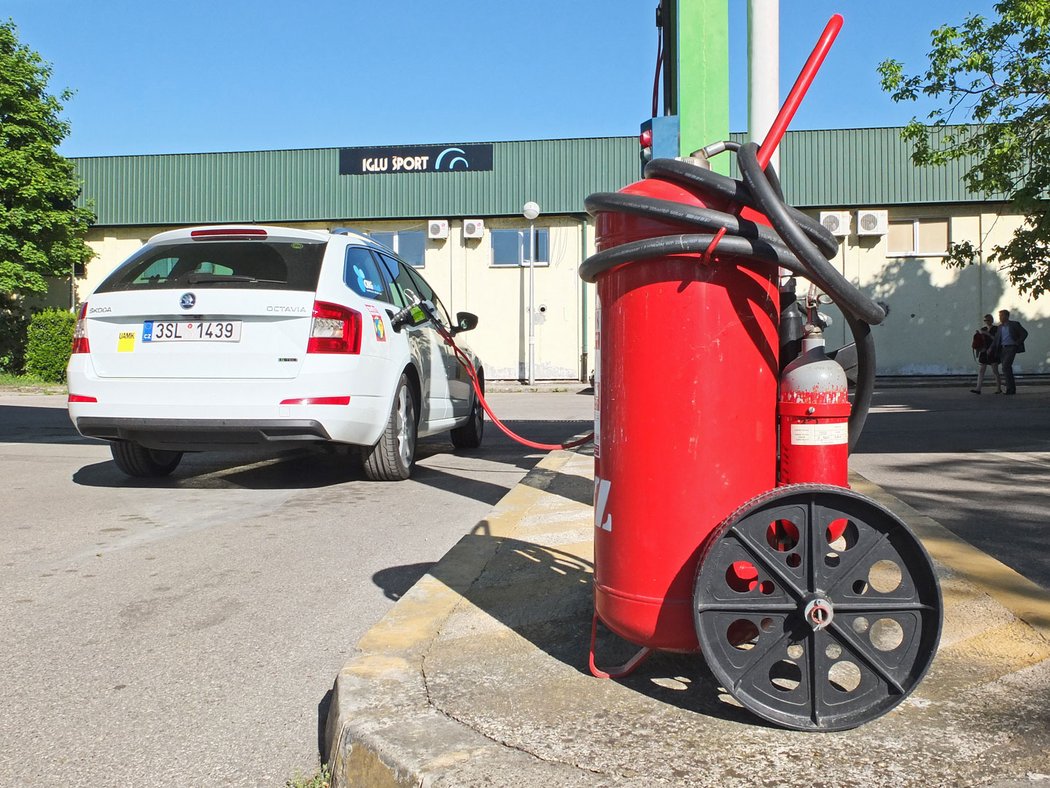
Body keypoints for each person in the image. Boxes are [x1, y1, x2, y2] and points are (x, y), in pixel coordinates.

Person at [991, 309, 1029, 395]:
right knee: (1007, 368)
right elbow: (997, 339)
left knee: (1005, 367)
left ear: (1006, 316)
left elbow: (1024, 333)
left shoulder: (1014, 324)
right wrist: (991, 348)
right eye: (999, 316)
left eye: (1001, 316)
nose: (1000, 318)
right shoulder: (1000, 327)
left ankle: (1009, 389)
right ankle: (1011, 389)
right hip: (1003, 349)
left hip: (1011, 347)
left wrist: (1018, 342)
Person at [970, 314, 1002, 394]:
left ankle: (998, 388)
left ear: (992, 320)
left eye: (988, 320)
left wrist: (988, 334)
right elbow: (980, 341)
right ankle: (978, 388)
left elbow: (996, 339)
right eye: (985, 320)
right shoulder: (983, 329)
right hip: (984, 351)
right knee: (981, 370)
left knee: (995, 370)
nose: (986, 322)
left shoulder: (996, 329)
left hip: (993, 351)